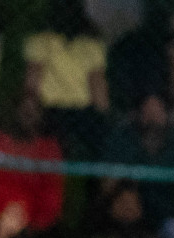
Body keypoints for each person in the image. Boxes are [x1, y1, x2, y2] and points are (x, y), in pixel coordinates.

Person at [101, 94, 174, 238]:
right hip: (131, 206)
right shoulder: (125, 137)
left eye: (157, 110)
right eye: (147, 111)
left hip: (167, 212)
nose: (152, 117)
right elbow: (107, 184)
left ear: (166, 114)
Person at [22, 0, 108, 159]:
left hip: (56, 112)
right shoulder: (90, 44)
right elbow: (99, 90)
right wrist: (103, 116)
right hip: (70, 112)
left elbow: (32, 82)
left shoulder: (42, 41)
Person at [0, 94, 65, 232]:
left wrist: (33, 223)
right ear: (14, 112)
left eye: (33, 111)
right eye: (24, 110)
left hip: (35, 226)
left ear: (41, 117)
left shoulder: (49, 149)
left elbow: (52, 196)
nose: (28, 115)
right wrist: (2, 218)